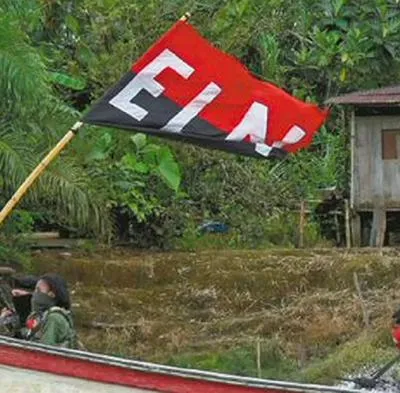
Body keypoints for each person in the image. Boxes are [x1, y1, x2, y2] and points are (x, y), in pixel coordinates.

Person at [24, 273, 77, 348]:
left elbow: (45, 350)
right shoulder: (40, 316)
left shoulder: (54, 318)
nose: (34, 294)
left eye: (38, 290)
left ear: (52, 294)